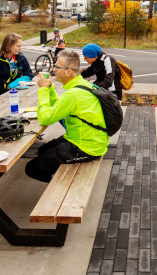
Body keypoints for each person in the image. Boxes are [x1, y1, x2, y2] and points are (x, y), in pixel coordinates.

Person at [25, 50, 108, 182]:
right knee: (43, 150)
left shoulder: (74, 94)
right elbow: (60, 106)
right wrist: (50, 87)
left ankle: (61, 186)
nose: (54, 69)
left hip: (86, 147)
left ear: (68, 71)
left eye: (57, 66)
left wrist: (43, 90)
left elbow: (45, 118)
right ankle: (59, 172)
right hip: (91, 140)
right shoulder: (84, 85)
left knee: (31, 168)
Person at [0, 32, 34, 103]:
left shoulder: (20, 57)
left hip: (14, 91)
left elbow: (29, 74)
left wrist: (12, 85)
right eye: (18, 46)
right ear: (9, 46)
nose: (20, 48)